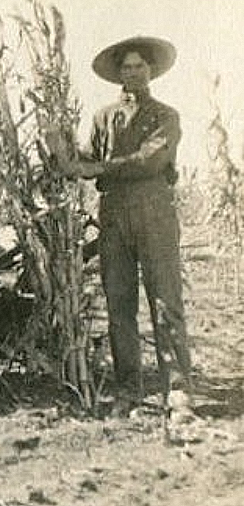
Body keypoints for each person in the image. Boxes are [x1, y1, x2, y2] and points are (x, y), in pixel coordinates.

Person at [52, 35, 192, 411]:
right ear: (118, 74)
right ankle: (129, 389)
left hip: (154, 210)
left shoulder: (166, 116)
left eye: (139, 66)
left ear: (150, 71)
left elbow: (150, 160)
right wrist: (60, 147)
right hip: (113, 214)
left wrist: (97, 167)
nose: (133, 73)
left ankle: (177, 388)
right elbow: (85, 159)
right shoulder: (103, 117)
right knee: (119, 304)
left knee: (165, 299)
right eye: (126, 67)